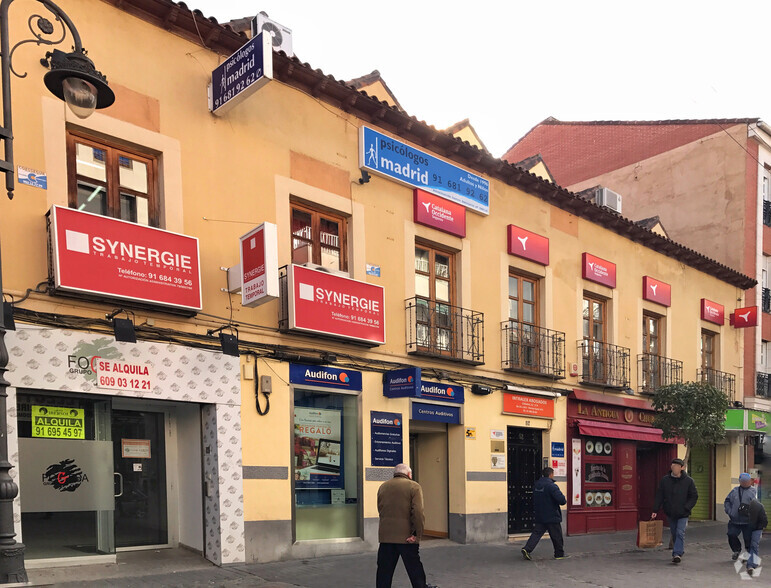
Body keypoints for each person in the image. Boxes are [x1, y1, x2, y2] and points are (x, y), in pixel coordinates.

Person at [376, 463, 437, 588]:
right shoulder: (414, 486)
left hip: (386, 536)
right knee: (414, 567)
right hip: (406, 537)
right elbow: (418, 512)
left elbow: (380, 509)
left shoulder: (383, 486)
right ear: (408, 474)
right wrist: (416, 534)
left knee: (384, 570)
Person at [651, 458, 698, 564]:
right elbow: (660, 495)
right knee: (674, 532)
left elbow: (694, 496)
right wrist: (655, 509)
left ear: (682, 468)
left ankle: (677, 553)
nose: (674, 468)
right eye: (673, 466)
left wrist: (687, 507)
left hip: (683, 512)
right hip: (670, 511)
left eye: (676, 466)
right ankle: (679, 549)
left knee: (680, 532)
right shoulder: (665, 480)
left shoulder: (689, 481)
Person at [521, 467, 568, 560]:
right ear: (551, 474)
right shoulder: (551, 486)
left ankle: (527, 549)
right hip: (552, 515)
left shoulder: (537, 484)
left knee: (536, 533)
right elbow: (562, 500)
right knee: (556, 535)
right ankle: (559, 554)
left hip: (540, 514)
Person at [724, 472, 757, 561]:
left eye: (747, 481)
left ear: (750, 481)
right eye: (743, 481)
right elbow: (727, 501)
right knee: (731, 534)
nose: (745, 482)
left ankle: (747, 554)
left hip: (748, 520)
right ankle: (736, 550)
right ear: (740, 481)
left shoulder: (754, 492)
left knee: (748, 538)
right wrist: (729, 511)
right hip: (734, 519)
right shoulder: (734, 491)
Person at [746, 498, 768, 576]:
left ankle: (751, 565)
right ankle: (751, 561)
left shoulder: (758, 506)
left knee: (753, 545)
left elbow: (764, 519)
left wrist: (760, 527)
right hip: (753, 529)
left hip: (755, 529)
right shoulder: (744, 506)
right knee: (750, 546)